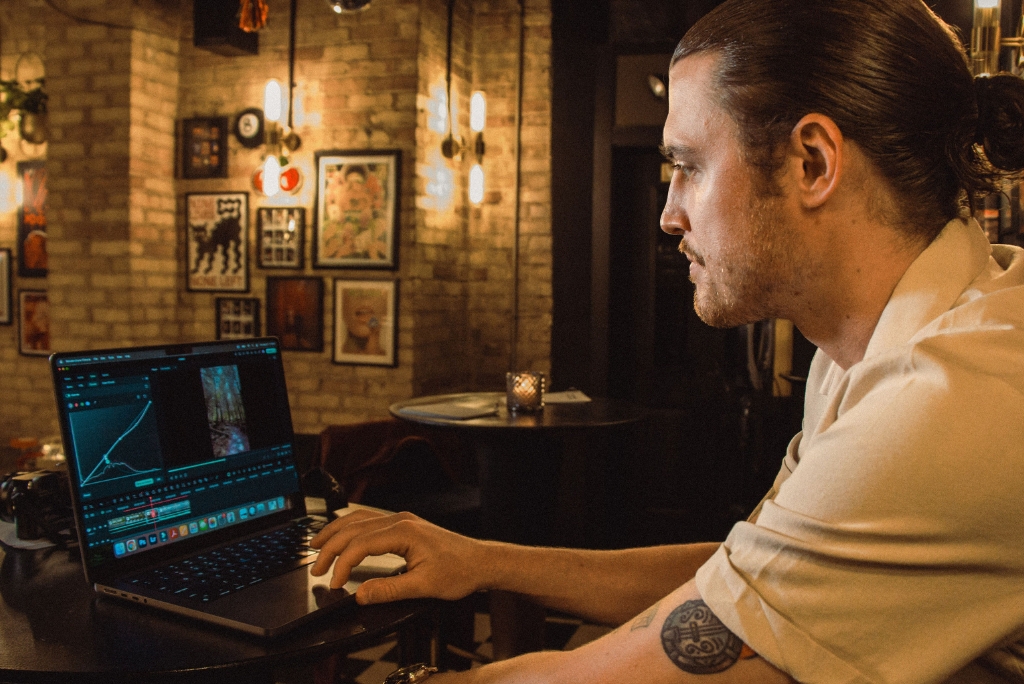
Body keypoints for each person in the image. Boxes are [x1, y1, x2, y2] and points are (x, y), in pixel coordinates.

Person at [311, 0, 1024, 681]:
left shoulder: (947, 398)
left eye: (687, 166)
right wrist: (484, 560)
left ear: (812, 162)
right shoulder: (874, 349)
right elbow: (748, 581)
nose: (667, 214)